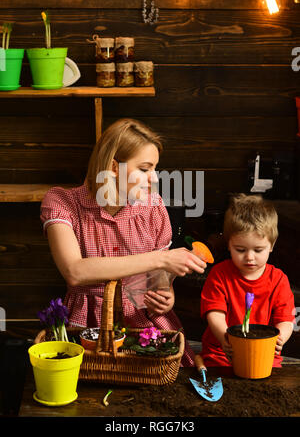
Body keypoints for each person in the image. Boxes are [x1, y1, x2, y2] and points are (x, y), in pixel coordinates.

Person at [40, 118, 206, 366]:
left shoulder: (153, 206)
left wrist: (165, 296)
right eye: (144, 168)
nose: (153, 179)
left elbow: (157, 281)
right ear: (114, 167)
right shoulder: (62, 202)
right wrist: (163, 258)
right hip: (86, 325)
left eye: (155, 169)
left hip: (142, 324)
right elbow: (75, 271)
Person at [200, 193, 295, 368]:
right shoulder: (220, 275)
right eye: (240, 249)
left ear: (272, 246)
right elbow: (214, 312)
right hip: (223, 352)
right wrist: (224, 337)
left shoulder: (278, 279)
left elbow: (286, 318)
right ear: (228, 244)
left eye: (258, 250)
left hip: (264, 354)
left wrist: (281, 336)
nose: (249, 257)